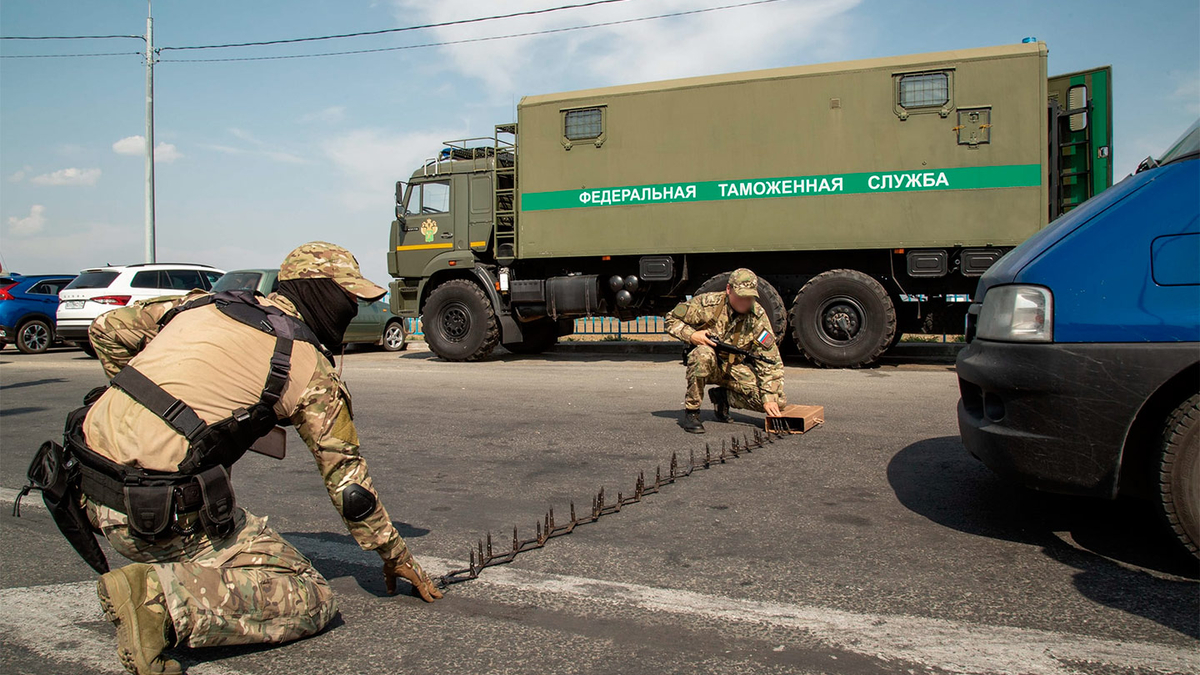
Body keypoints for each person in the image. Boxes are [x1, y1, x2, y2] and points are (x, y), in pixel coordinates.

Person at [72, 242, 439, 674]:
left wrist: (147, 411)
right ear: (320, 294)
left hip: (85, 482)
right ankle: (159, 601)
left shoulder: (201, 302)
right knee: (309, 596)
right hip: (154, 517)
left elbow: (107, 328)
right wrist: (395, 555)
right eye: (348, 299)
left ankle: (162, 577)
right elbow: (350, 489)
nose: (351, 311)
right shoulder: (307, 367)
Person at [664, 268, 786, 433]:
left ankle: (723, 397)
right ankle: (692, 412)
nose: (745, 301)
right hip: (708, 363)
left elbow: (770, 360)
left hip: (734, 368)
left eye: (749, 297)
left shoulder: (757, 317)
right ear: (729, 289)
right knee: (702, 355)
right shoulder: (708, 304)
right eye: (740, 296)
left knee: (776, 400)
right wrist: (692, 335)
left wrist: (769, 399)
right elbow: (671, 319)